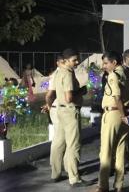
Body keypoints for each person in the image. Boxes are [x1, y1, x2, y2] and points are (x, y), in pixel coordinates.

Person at [47, 48, 89, 187]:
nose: (76, 62)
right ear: (65, 61)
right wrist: (81, 91)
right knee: (73, 145)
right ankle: (74, 178)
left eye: (77, 59)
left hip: (61, 110)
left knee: (59, 142)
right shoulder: (68, 74)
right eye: (74, 60)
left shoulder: (58, 72)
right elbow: (69, 97)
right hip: (70, 112)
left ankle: (56, 173)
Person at [95, 51, 129, 192]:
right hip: (123, 114)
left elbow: (116, 97)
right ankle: (119, 185)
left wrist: (122, 115)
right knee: (120, 151)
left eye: (105, 63)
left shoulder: (113, 76)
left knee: (106, 151)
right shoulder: (127, 74)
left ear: (114, 63)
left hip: (114, 114)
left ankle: (103, 186)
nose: (103, 66)